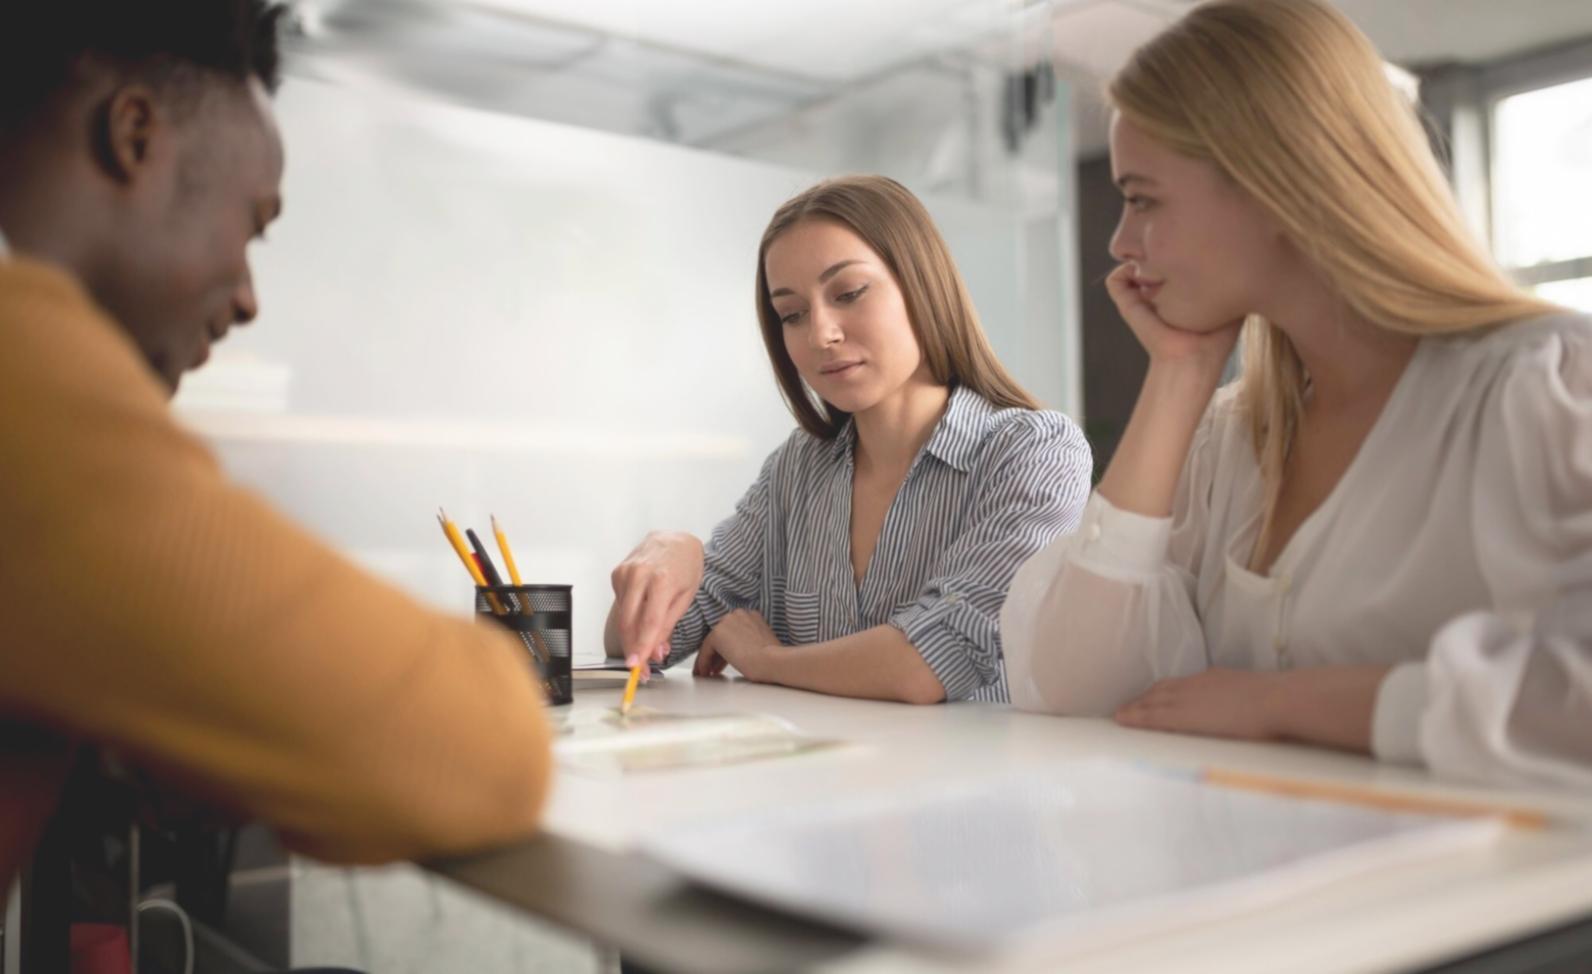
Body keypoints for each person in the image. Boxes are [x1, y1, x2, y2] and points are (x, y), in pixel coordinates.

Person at [0, 0, 555, 895]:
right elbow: (485, 747)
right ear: (134, 135)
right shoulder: (23, 374)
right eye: (251, 225)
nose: (250, 295)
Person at [1000, 0, 1592, 787]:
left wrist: (1286, 702)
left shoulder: (1540, 384)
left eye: (1142, 199)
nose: (1119, 244)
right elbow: (1082, 686)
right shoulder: (1227, 437)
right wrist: (1177, 376)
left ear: (1274, 183)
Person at [605, 175, 1092, 704]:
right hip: (823, 783)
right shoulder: (797, 468)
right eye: (792, 314)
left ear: (921, 284)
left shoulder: (1034, 451)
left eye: (849, 293)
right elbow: (643, 646)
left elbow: (929, 662)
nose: (820, 335)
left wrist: (769, 661)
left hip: (972, 784)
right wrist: (673, 555)